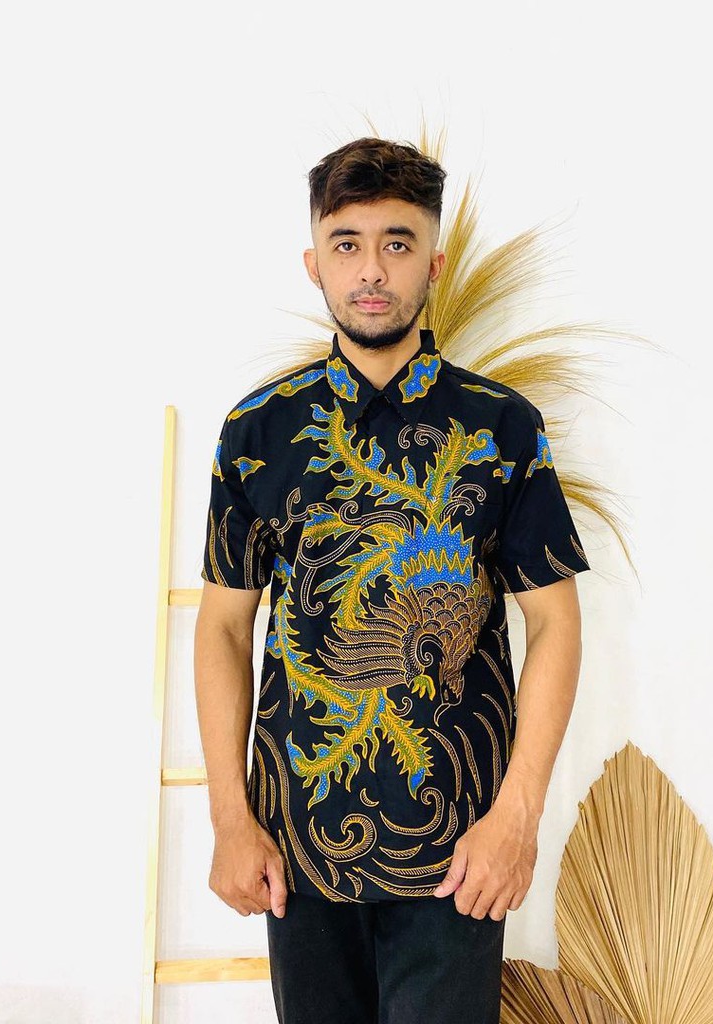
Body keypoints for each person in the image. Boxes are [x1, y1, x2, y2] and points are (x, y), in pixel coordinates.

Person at [194, 137, 590, 1024]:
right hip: (296, 848)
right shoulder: (257, 431)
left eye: (397, 243)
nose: (371, 269)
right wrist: (229, 818)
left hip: (460, 854)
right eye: (347, 243)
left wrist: (517, 818)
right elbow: (222, 626)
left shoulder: (502, 428)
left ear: (434, 264)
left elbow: (556, 623)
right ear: (314, 263)